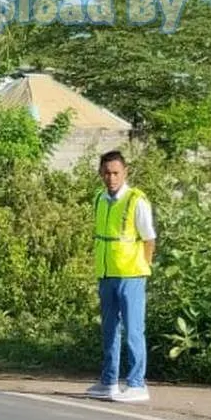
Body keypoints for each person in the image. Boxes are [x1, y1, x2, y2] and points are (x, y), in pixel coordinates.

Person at [86, 150, 156, 403]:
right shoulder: (99, 199)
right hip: (106, 273)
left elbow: (149, 238)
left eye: (115, 173)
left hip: (131, 274)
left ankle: (137, 383)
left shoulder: (136, 200)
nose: (111, 178)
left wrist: (143, 266)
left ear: (125, 172)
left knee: (134, 329)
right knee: (109, 329)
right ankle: (109, 381)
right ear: (100, 173)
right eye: (106, 173)